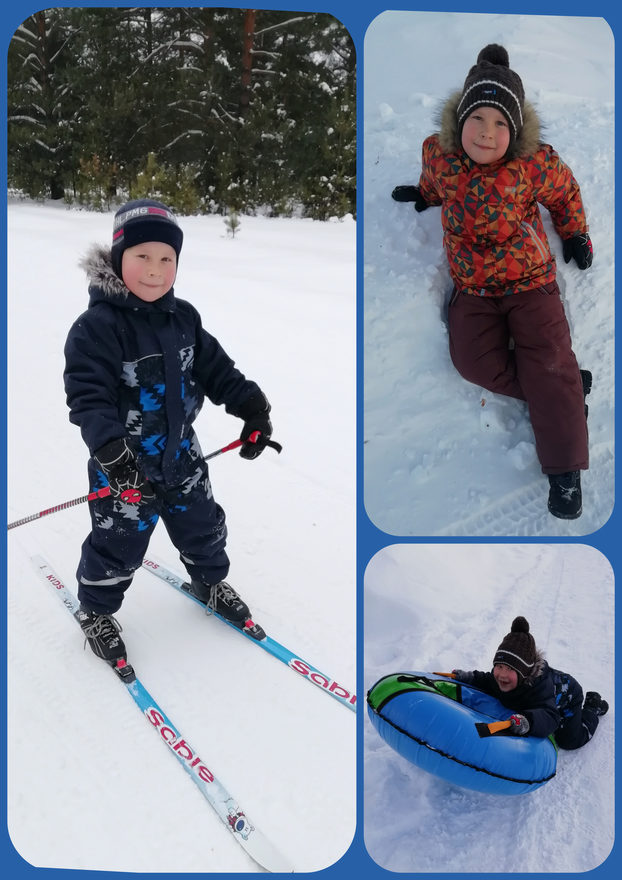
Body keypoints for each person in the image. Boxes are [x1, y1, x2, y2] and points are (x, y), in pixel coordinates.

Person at [64, 199, 276, 664]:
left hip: (182, 455)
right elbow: (88, 398)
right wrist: (112, 454)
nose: (155, 270)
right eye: (142, 257)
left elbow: (218, 371)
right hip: (123, 468)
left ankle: (209, 581)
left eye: (167, 259)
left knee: (204, 526)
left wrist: (252, 408)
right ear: (119, 258)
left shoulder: (184, 319)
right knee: (117, 547)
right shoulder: (96, 327)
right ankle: (96, 610)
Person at [392, 44, 593, 520]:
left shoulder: (533, 164)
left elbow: (564, 194)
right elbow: (431, 180)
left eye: (501, 123)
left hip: (531, 282)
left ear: (516, 130)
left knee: (547, 359)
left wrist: (575, 232)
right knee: (474, 363)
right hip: (473, 291)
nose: (487, 133)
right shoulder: (439, 157)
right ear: (459, 121)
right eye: (478, 119)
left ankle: (564, 475)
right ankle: (563, 390)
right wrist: (423, 196)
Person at [452, 616, 608, 749]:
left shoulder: (539, 688)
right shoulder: (499, 678)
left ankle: (592, 707)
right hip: (551, 695)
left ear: (524, 673)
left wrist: (528, 722)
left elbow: (549, 716)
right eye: (499, 666)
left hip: (569, 696)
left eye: (510, 669)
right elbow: (487, 680)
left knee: (569, 740)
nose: (502, 675)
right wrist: (469, 677)